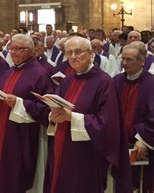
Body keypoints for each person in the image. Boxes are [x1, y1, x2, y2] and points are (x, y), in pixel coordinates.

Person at [32, 36, 132, 193]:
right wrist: (53, 116)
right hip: (60, 148)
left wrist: (71, 117)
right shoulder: (67, 80)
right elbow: (56, 110)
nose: (73, 56)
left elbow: (106, 124)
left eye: (78, 52)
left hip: (86, 154)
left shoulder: (104, 82)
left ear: (91, 53)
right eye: (69, 52)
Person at [0, 34, 53, 193]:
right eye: (11, 48)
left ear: (30, 51)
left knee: (20, 175)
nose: (13, 52)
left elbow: (46, 109)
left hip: (24, 134)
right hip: (4, 128)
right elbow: (0, 90)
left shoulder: (39, 74)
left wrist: (20, 103)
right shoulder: (10, 71)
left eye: (17, 49)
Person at [113, 42, 154, 192]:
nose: (124, 63)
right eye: (122, 59)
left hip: (140, 145)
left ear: (142, 61)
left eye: (129, 59)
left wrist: (143, 139)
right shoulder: (116, 81)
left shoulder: (151, 83)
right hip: (117, 143)